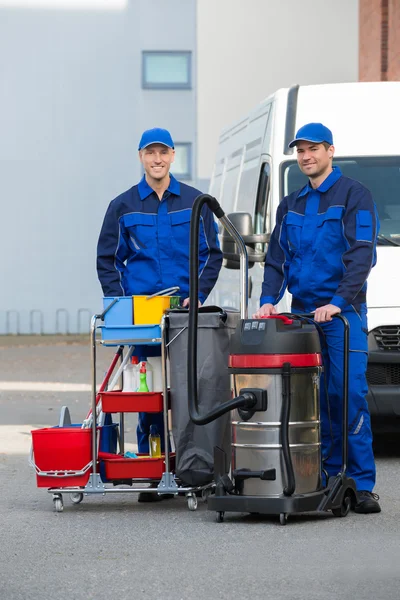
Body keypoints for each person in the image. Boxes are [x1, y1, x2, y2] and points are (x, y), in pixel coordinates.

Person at [254, 122, 381, 514]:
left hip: (343, 316)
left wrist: (339, 301)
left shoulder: (354, 196)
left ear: (330, 151)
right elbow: (277, 260)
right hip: (302, 318)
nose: (306, 156)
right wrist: (268, 299)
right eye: (301, 151)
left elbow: (363, 253)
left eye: (313, 149)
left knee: (347, 395)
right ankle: (322, 478)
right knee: (311, 402)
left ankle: (360, 484)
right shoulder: (289, 204)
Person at [97, 127, 222, 500]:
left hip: (186, 314)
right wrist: (121, 306)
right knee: (147, 394)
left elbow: (212, 254)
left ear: (171, 156)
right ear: (140, 157)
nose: (157, 159)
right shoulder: (122, 206)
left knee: (189, 391)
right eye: (150, 153)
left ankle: (192, 467)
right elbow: (108, 260)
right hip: (143, 315)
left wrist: (197, 296)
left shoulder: (196, 201)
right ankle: (154, 472)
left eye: (163, 153)